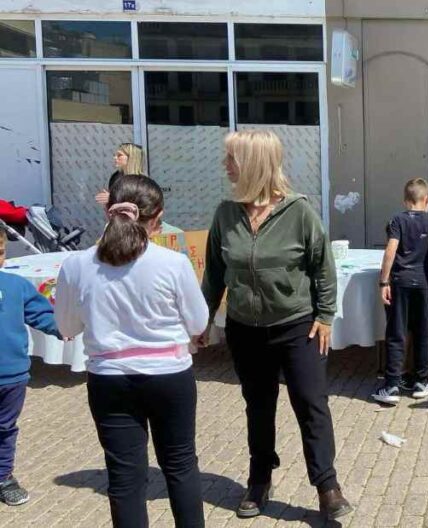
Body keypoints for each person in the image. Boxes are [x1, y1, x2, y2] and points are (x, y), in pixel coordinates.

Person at [200, 130, 351, 520]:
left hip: (297, 326)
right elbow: (214, 273)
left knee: (311, 404)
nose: (225, 165)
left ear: (252, 163)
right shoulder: (225, 213)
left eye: (231, 158)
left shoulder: (299, 212)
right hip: (244, 329)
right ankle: (260, 479)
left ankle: (327, 486)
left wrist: (325, 316)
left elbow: (323, 268)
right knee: (258, 405)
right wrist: (204, 317)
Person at [56, 175, 207, 527]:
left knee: (124, 478)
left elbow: (66, 328)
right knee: (181, 466)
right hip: (169, 376)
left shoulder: (77, 264)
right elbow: (198, 322)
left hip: (109, 379)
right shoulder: (172, 263)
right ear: (158, 218)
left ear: (109, 211)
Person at [373, 178, 428, 405]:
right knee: (424, 332)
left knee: (396, 332)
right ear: (427, 199)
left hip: (400, 282)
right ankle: (421, 381)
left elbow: (390, 250)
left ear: (405, 200)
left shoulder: (397, 220)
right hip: (423, 283)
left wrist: (383, 281)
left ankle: (392, 384)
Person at [0, 233, 61, 506]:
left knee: (5, 428)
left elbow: (41, 314)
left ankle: (3, 476)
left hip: (12, 376)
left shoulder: (16, 285)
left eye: (0, 252)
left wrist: (64, 327)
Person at [95, 143, 146, 207]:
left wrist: (112, 198)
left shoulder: (142, 181)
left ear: (131, 158)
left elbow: (140, 203)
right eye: (115, 155)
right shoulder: (115, 176)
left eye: (119, 155)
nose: (115, 158)